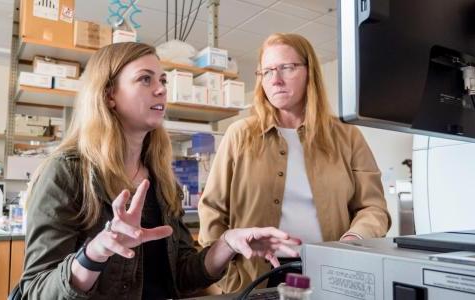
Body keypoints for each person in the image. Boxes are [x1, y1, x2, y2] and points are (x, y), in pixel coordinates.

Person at [20, 42, 301, 300]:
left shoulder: (161, 178)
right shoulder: (66, 173)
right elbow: (35, 290)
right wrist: (96, 252)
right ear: (109, 95)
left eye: (163, 80)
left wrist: (227, 244)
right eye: (145, 79)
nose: (161, 89)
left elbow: (183, 275)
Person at [198, 33, 391, 293]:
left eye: (286, 68)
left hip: (330, 271)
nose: (275, 80)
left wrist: (353, 240)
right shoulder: (240, 134)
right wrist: (226, 271)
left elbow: (373, 207)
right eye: (266, 71)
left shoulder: (347, 136)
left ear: (310, 72)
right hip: (253, 277)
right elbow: (212, 210)